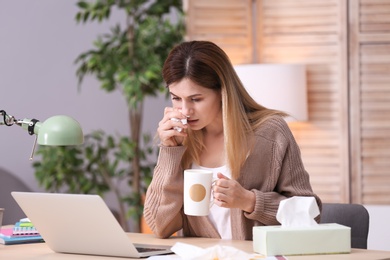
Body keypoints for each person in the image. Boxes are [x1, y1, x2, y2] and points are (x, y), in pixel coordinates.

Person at [143, 40, 321, 240]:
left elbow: (310, 212)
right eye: (176, 98)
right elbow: (159, 225)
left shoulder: (271, 134)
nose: (185, 111)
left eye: (196, 99)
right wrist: (168, 152)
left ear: (222, 91)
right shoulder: (180, 140)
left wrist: (250, 201)